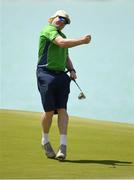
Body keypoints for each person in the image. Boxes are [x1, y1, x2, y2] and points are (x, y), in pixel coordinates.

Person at [36, 10, 91, 160]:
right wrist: (82, 41)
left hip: (61, 76)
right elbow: (60, 43)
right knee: (49, 111)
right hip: (46, 73)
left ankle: (63, 146)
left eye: (65, 21)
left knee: (62, 109)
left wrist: (72, 70)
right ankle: (45, 140)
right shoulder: (48, 30)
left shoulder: (63, 36)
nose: (62, 21)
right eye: (60, 18)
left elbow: (66, 56)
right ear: (53, 18)